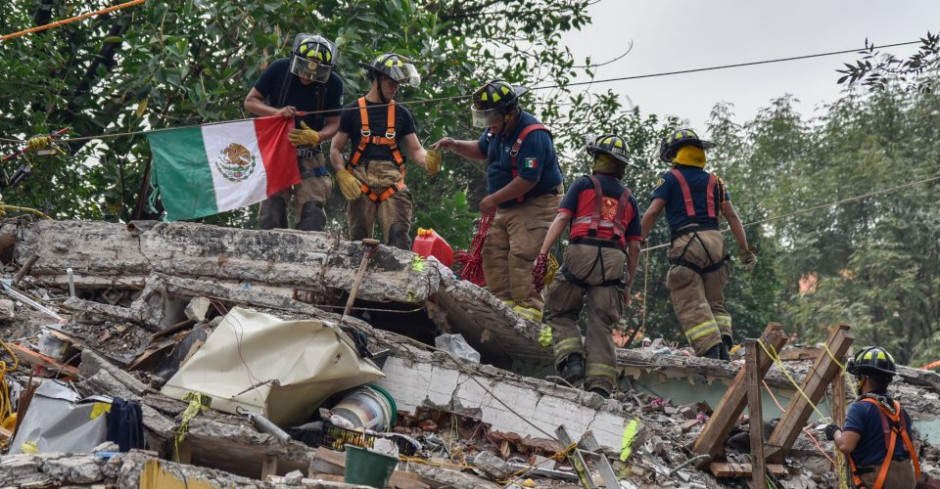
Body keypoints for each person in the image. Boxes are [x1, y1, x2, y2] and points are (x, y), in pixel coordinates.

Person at [433, 80, 563, 322]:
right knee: (493, 252)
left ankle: (529, 310)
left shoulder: (533, 135)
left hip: (536, 202)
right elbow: (481, 150)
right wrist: (455, 145)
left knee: (522, 253)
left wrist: (493, 198)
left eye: (491, 115)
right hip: (506, 203)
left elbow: (528, 179)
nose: (488, 122)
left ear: (510, 113)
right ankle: (503, 304)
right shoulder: (496, 129)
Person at [534, 134, 641, 397]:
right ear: (622, 166)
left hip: (580, 252)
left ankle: (571, 362)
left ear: (596, 159)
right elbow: (635, 246)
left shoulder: (583, 184)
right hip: (614, 260)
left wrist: (543, 253)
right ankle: (600, 387)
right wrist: (627, 284)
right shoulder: (630, 198)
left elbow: (561, 219)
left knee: (560, 309)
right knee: (601, 324)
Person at [640, 128, 755, 360]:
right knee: (715, 301)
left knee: (687, 294)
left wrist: (635, 241)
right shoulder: (715, 181)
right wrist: (745, 250)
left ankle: (712, 350)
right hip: (716, 243)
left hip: (688, 242)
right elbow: (732, 216)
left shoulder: (669, 178)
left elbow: (652, 212)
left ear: (676, 154)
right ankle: (723, 343)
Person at [329, 53, 441, 250]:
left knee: (399, 237)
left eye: (398, 83)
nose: (395, 87)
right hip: (360, 179)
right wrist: (341, 173)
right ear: (378, 79)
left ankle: (397, 277)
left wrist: (428, 160)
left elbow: (416, 151)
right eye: (391, 82)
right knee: (358, 242)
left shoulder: (402, 114)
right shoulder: (352, 110)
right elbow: (335, 149)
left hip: (392, 180)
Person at [244, 33, 343, 231]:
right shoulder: (279, 69)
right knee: (272, 209)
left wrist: (318, 136)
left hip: (310, 153)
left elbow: (334, 123)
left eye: (315, 72)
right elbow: (250, 102)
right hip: (277, 150)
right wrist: (277, 112)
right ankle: (269, 257)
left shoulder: (333, 83)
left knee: (313, 212)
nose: (307, 74)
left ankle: (308, 257)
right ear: (295, 60)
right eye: (303, 67)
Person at [825, 346, 921, 489]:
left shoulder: (860, 407)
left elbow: (846, 445)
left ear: (863, 378)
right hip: (907, 480)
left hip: (879, 481)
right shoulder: (900, 411)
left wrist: (835, 432)